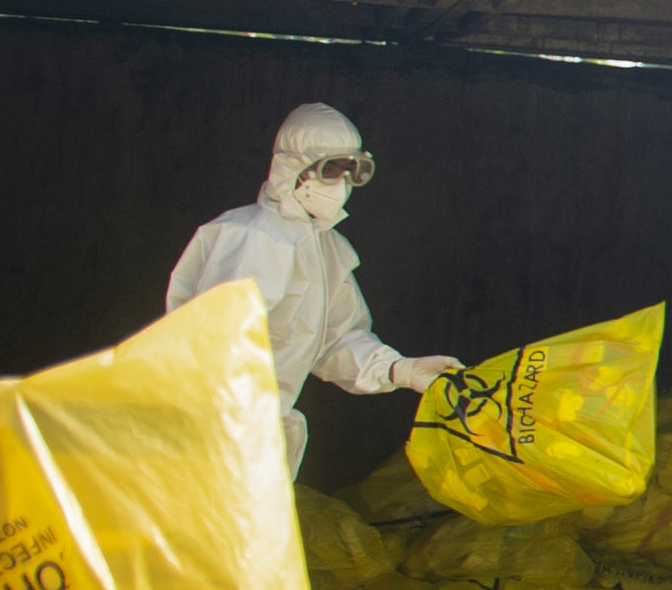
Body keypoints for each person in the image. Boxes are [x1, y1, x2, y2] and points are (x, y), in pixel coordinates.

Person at [161, 103, 457, 473]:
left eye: (353, 171)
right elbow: (209, 349)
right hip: (208, 440)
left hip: (257, 442)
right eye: (331, 169)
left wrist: (400, 369)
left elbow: (335, 339)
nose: (342, 184)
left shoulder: (324, 249)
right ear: (293, 169)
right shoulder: (250, 239)